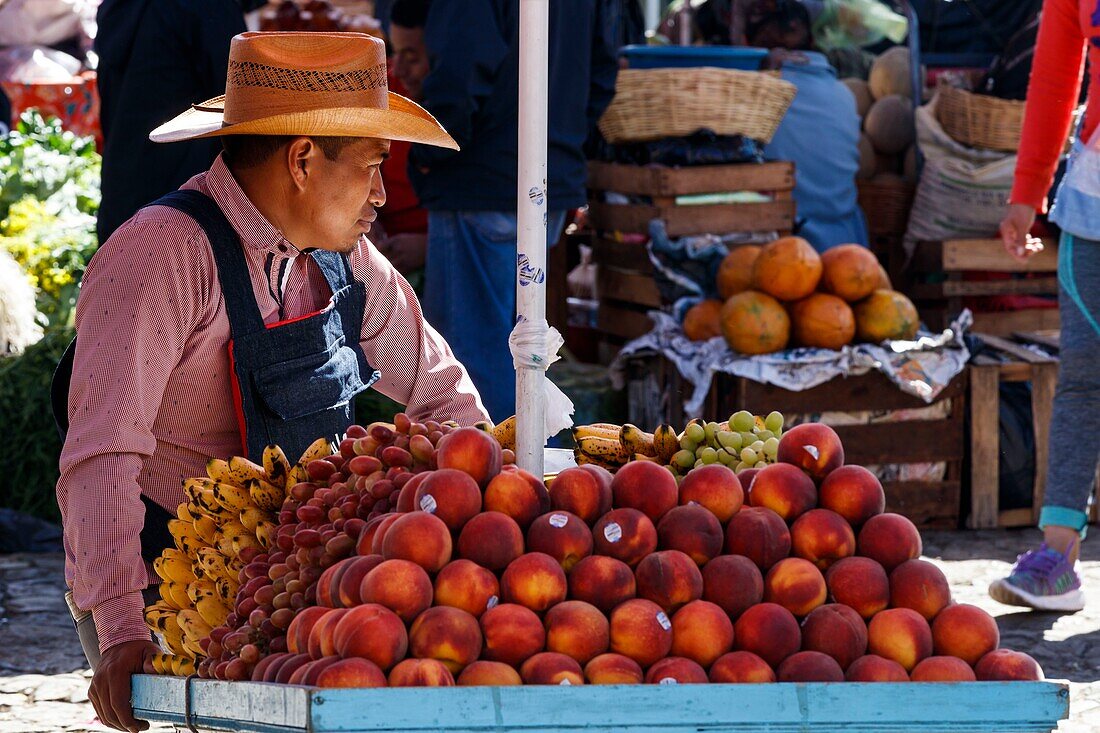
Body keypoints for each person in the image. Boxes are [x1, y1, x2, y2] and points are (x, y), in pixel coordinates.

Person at [55, 31, 488, 732]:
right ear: (303, 160)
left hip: (302, 577)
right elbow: (103, 450)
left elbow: (445, 394)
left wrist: (486, 524)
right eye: (373, 167)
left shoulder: (348, 259)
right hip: (170, 581)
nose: (382, 193)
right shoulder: (161, 254)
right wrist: (117, 626)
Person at [408, 0, 619, 422]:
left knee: (470, 361)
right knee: (516, 350)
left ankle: (503, 476)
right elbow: (604, 71)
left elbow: (462, 66)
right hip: (545, 176)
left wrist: (433, 150)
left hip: (484, 180)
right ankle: (526, 470)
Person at [989, 0, 1098, 614]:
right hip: (1093, 199)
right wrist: (1025, 192)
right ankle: (1058, 559)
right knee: (1082, 377)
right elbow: (1057, 76)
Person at [94, 0, 254, 243]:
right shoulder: (206, 7)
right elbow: (239, 98)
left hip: (124, 192)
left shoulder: (120, 7)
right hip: (180, 209)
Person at [747, 0, 868, 251]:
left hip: (784, 250)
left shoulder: (757, 94)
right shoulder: (844, 94)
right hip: (846, 245)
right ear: (812, 41)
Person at [372, 0, 431, 278]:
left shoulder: (464, 111)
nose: (400, 68)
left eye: (412, 56)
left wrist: (429, 246)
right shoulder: (383, 87)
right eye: (395, 53)